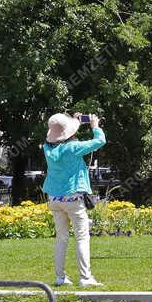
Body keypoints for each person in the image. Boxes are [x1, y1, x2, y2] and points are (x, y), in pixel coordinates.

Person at [42, 112, 105, 287]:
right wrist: (95, 127)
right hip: (73, 198)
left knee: (61, 238)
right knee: (82, 237)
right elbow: (99, 141)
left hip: (54, 198)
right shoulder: (73, 148)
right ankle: (85, 278)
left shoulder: (47, 148)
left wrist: (75, 124)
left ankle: (60, 278)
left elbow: (63, 139)